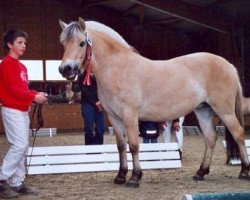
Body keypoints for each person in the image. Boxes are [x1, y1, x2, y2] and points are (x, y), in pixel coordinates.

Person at [0, 29, 48, 198]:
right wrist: (34, 96)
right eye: (19, 43)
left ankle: (17, 182)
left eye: (24, 43)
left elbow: (22, 89)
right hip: (12, 110)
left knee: (22, 147)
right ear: (9, 44)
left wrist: (35, 94)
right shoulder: (6, 63)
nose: (23, 46)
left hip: (22, 110)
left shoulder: (22, 66)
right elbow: (13, 90)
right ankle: (2, 179)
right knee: (20, 145)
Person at [78, 73, 105, 145]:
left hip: (99, 104)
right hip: (88, 104)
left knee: (100, 129)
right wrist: (96, 101)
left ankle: (98, 147)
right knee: (88, 128)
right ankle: (89, 147)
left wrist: (102, 101)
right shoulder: (83, 75)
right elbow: (84, 90)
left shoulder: (100, 74)